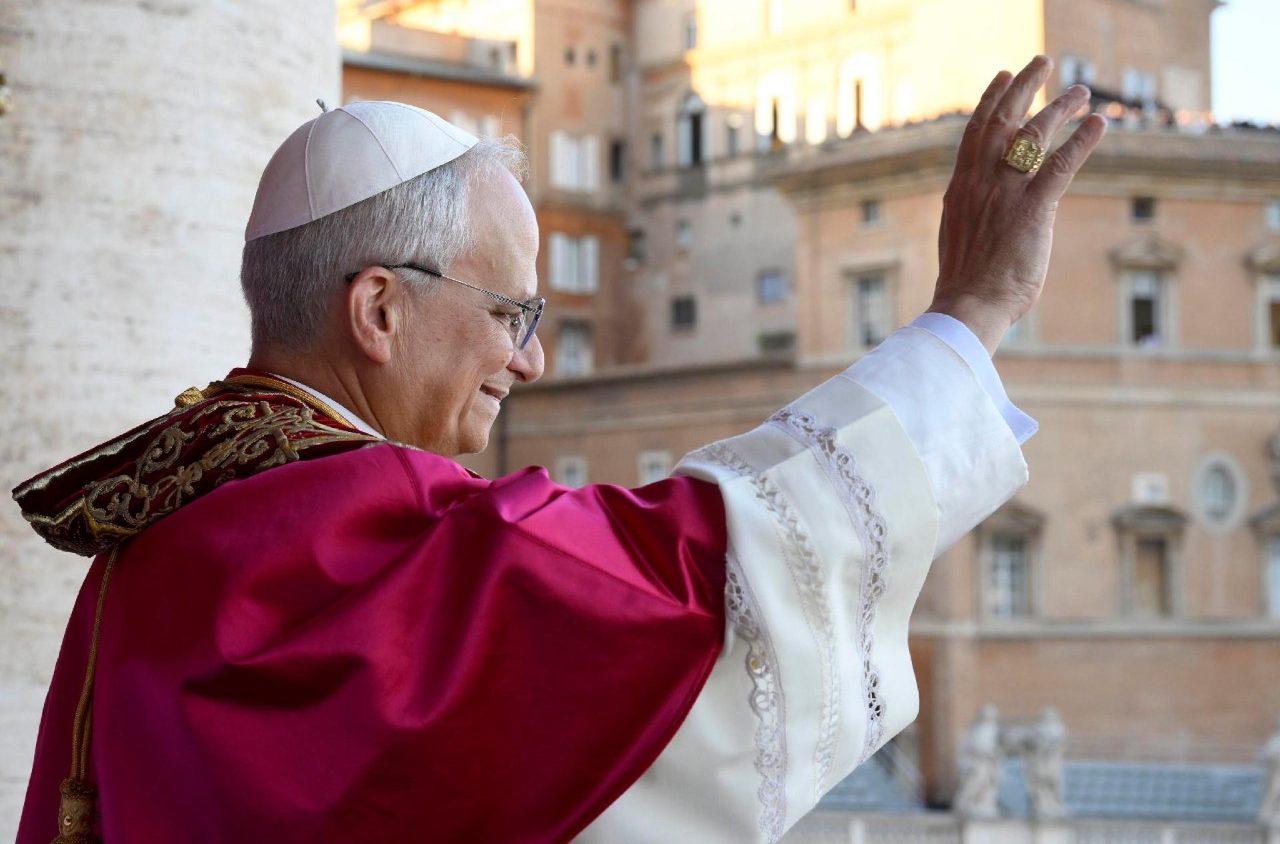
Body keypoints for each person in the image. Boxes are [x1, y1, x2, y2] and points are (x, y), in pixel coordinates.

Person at [13, 55, 1104, 843]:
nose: (528, 362)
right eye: (510, 314)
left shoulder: (152, 538)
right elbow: (697, 577)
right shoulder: (368, 529)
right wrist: (970, 312)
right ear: (379, 310)